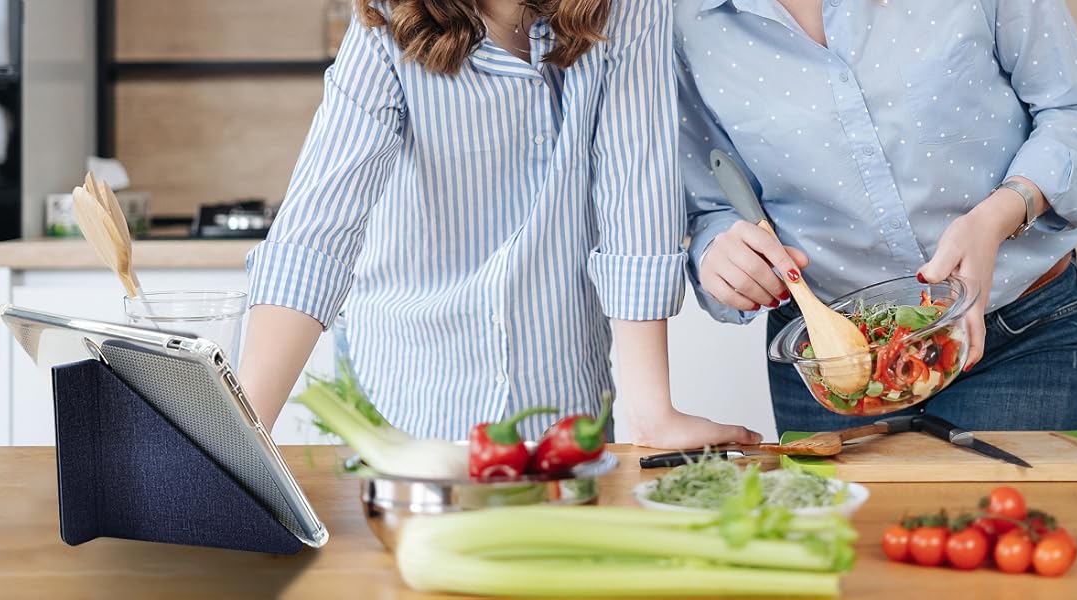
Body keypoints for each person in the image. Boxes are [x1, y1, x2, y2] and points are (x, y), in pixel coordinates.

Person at [238, 0, 760, 448]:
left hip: (563, 400)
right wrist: (241, 444)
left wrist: (651, 411)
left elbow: (636, 192)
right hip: (404, 404)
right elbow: (315, 233)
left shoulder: (625, 9)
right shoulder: (386, 22)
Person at [678, 0, 1077, 434]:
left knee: (998, 509)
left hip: (1015, 330)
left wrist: (1000, 214)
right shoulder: (686, 22)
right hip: (834, 358)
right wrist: (718, 249)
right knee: (844, 511)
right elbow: (712, 202)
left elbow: (1073, 108)